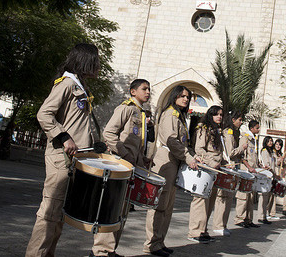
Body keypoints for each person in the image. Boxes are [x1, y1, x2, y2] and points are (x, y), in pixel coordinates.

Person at [25, 43, 102, 257]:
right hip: (61, 158)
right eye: (96, 60)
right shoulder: (67, 84)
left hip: (75, 160)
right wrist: (64, 136)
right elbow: (44, 114)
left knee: (58, 215)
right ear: (85, 60)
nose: (99, 65)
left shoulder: (80, 86)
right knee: (49, 214)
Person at [91, 79, 151, 257]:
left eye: (149, 89)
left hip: (131, 167)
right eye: (144, 89)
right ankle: (100, 250)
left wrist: (142, 159)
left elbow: (135, 143)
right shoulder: (125, 108)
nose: (147, 92)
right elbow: (109, 133)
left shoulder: (140, 112)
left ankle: (111, 249)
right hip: (120, 164)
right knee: (113, 206)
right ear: (132, 91)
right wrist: (125, 154)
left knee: (123, 209)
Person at [144, 86, 198, 257]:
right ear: (174, 96)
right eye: (182, 96)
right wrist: (188, 158)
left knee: (168, 206)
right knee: (160, 205)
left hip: (174, 161)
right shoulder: (170, 114)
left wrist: (193, 155)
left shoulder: (179, 116)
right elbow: (171, 141)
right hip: (166, 160)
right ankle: (151, 243)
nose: (185, 99)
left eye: (187, 97)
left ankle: (159, 241)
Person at [187, 106, 224, 243]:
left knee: (210, 201)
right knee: (200, 200)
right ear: (210, 115)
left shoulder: (216, 131)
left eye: (221, 114)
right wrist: (211, 161)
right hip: (206, 167)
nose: (219, 117)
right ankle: (194, 231)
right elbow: (199, 149)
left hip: (214, 169)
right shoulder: (204, 128)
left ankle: (203, 230)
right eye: (216, 114)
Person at [211, 111, 245, 236]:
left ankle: (223, 224)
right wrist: (242, 148)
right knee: (223, 198)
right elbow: (230, 152)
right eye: (239, 120)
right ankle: (218, 225)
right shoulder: (228, 133)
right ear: (233, 119)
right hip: (227, 168)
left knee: (228, 198)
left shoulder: (232, 133)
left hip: (232, 168)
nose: (240, 123)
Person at [234, 119, 261, 228]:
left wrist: (258, 166)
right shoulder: (245, 138)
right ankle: (239, 218)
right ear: (251, 128)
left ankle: (248, 219)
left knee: (250, 196)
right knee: (243, 195)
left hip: (252, 172)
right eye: (257, 128)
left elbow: (254, 157)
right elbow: (241, 156)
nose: (258, 130)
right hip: (245, 171)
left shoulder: (254, 140)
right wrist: (249, 167)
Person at [259, 136, 276, 224]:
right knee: (264, 196)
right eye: (269, 141)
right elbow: (266, 164)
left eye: (271, 141)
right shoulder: (265, 151)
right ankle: (261, 216)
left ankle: (265, 215)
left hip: (271, 176)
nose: (270, 142)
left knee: (267, 197)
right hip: (266, 175)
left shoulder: (271, 152)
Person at [269, 138, 284, 219]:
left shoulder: (279, 154)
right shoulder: (273, 152)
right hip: (273, 174)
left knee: (274, 195)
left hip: (278, 174)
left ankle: (272, 213)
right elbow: (275, 163)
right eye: (277, 144)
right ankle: (268, 212)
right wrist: (279, 160)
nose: (278, 146)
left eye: (280, 145)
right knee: (270, 194)